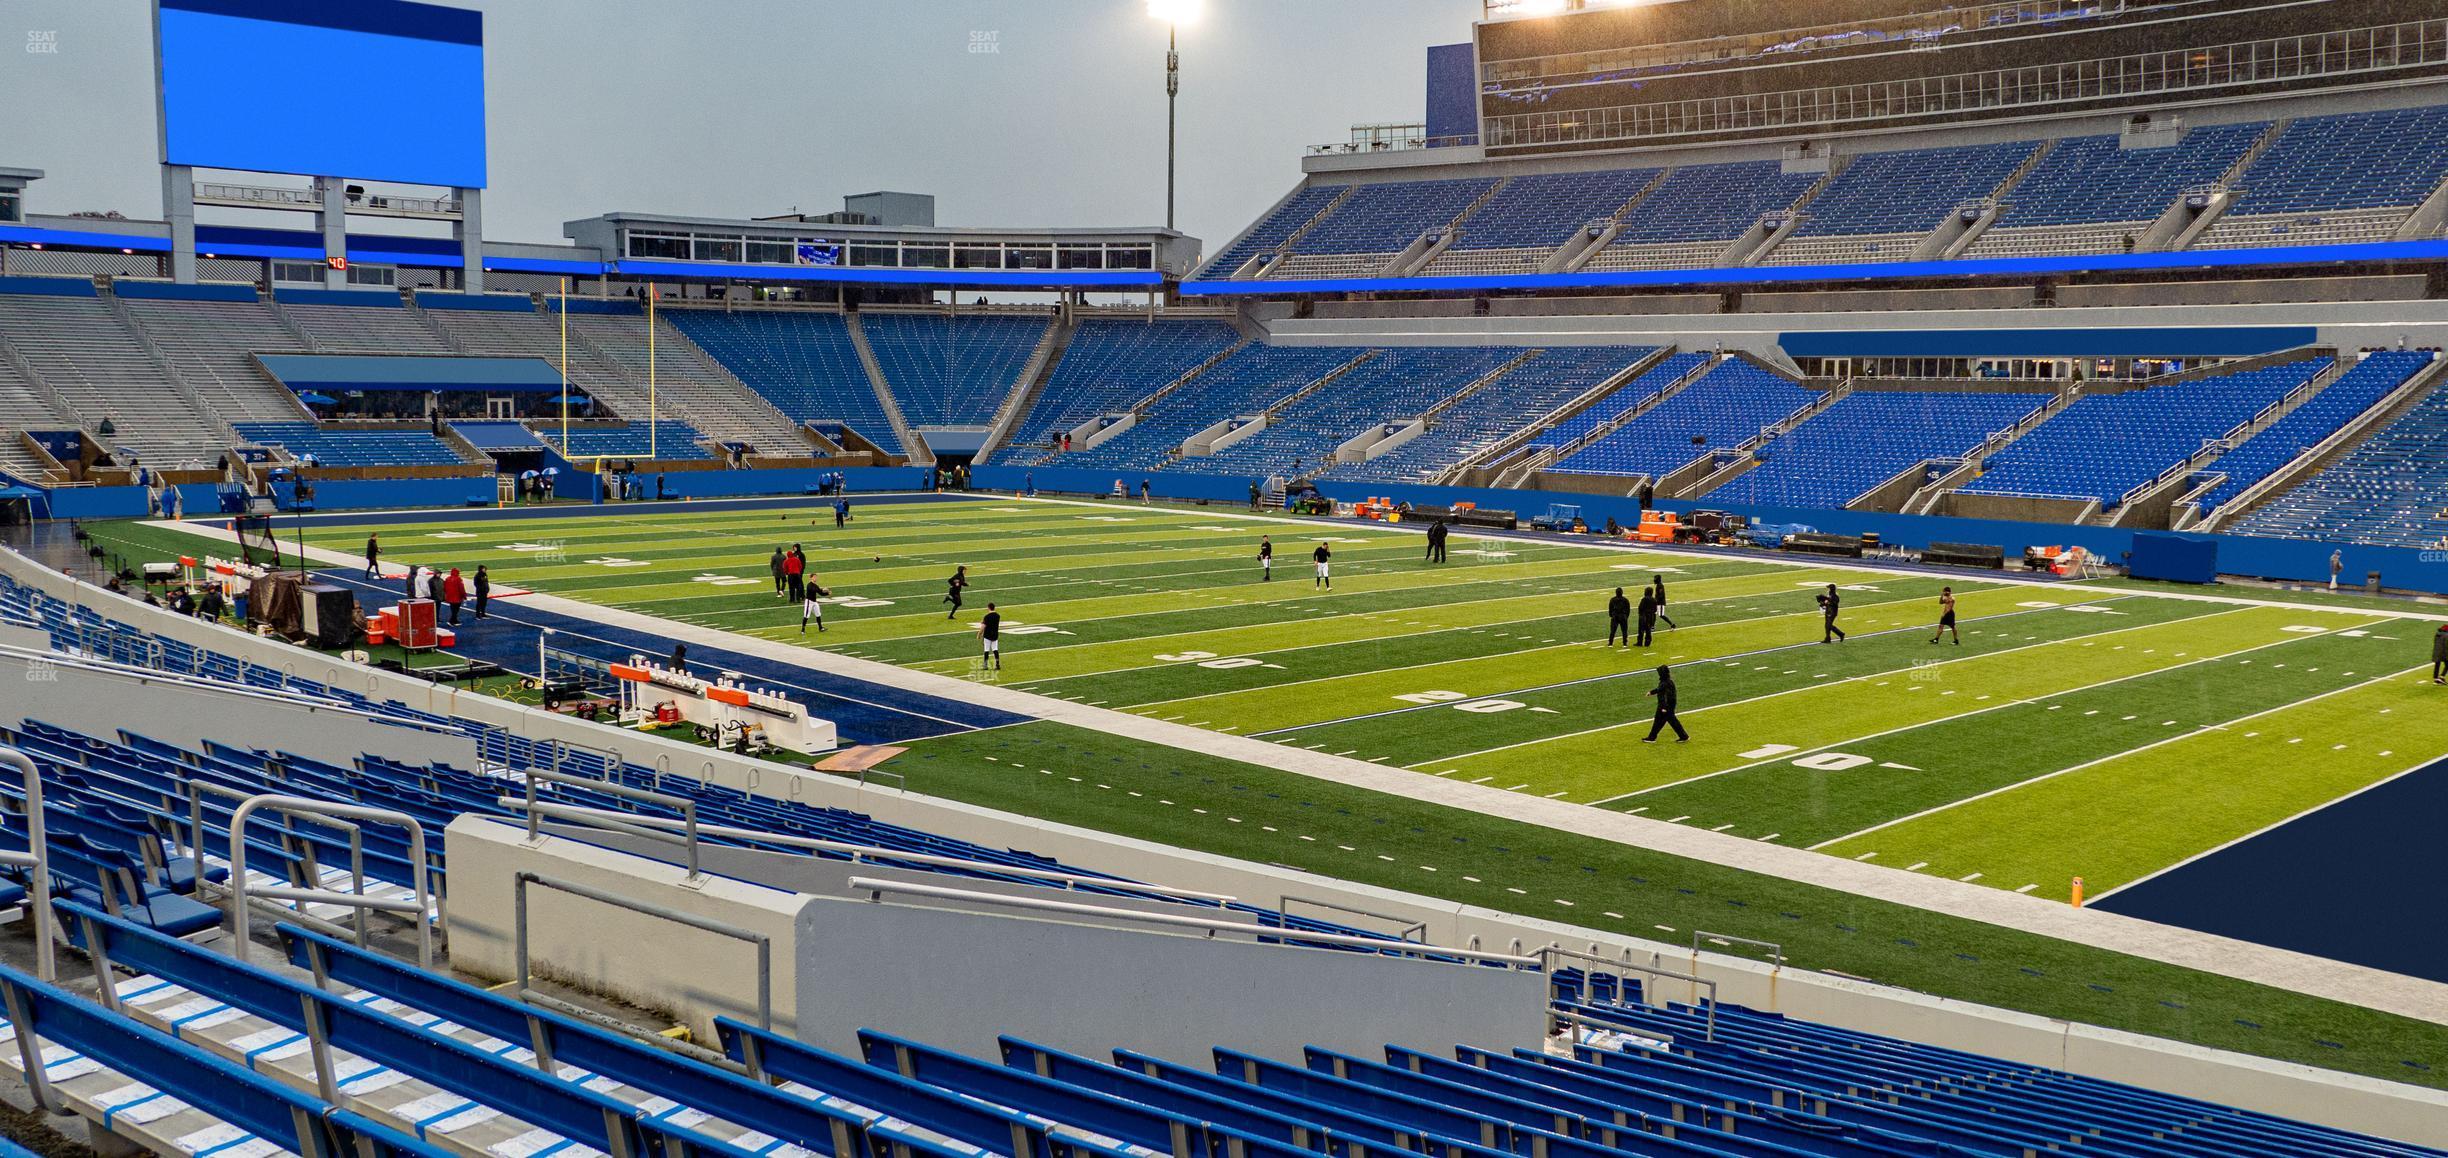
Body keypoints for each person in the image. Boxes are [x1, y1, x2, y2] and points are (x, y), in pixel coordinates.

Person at [1644, 665, 1687, 743]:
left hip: (1665, 706)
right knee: (1671, 721)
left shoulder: (1665, 683)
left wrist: (1664, 707)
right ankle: (1683, 736)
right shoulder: (1667, 681)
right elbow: (1660, 690)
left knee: (1660, 721)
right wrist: (1651, 692)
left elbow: (1667, 696)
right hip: (1668, 706)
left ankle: (1652, 737)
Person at [979, 603, 1003, 671]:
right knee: (995, 649)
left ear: (988, 608)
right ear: (994, 607)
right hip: (995, 634)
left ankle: (985, 665)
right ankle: (997, 664)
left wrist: (979, 634)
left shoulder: (987, 616)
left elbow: (983, 626)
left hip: (987, 635)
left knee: (986, 650)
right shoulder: (998, 616)